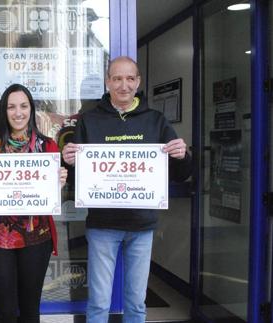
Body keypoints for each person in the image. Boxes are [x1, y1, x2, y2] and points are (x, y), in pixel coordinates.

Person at [62, 56, 192, 323]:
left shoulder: (156, 121)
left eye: (130, 78)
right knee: (98, 303)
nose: (124, 85)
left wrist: (183, 155)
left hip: (142, 225)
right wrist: (69, 161)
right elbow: (77, 180)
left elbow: (181, 173)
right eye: (117, 78)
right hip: (102, 225)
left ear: (138, 81)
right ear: (108, 82)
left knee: (136, 303)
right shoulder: (89, 121)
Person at [0, 84, 68, 323]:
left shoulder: (48, 147)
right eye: (11, 107)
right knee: (5, 309)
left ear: (31, 110)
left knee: (30, 308)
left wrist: (58, 183)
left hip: (36, 237)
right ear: (4, 111)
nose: (18, 112)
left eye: (24, 106)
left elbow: (51, 193)